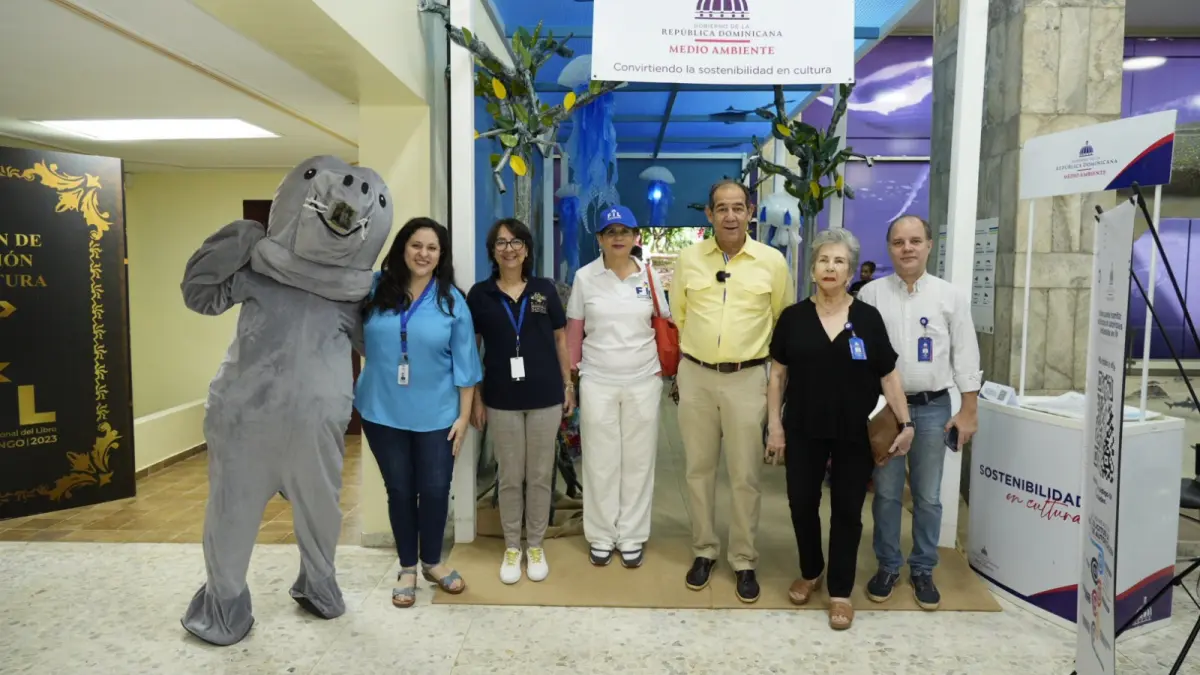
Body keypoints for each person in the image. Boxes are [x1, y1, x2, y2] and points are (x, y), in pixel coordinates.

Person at [179, 156, 393, 645]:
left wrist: (390, 299)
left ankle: (319, 586)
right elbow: (200, 295)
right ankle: (225, 604)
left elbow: (378, 346)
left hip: (315, 426)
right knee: (232, 512)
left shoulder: (352, 297)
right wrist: (237, 243)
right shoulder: (259, 272)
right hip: (246, 417)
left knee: (321, 510)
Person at [765, 227, 914, 631]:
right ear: (813, 268)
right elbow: (777, 376)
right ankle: (810, 570)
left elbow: (888, 376)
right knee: (801, 503)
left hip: (854, 431)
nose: (830, 267)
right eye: (823, 260)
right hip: (802, 427)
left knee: (848, 510)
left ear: (850, 271)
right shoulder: (793, 318)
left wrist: (906, 422)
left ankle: (841, 591)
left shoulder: (867, 318)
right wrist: (774, 426)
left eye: (839, 261)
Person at [669, 179, 794, 603]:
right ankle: (704, 550)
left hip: (748, 378)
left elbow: (782, 322)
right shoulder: (689, 259)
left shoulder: (772, 262)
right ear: (709, 214)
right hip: (697, 376)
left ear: (750, 212)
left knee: (745, 475)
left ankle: (743, 559)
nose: (730, 216)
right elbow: (679, 314)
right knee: (698, 470)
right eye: (721, 208)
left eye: (738, 207)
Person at [354, 217, 482, 608]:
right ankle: (407, 567)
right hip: (381, 410)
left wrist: (463, 418)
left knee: (435, 488)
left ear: (441, 256)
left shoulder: (451, 301)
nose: (423, 254)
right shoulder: (375, 288)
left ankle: (433, 562)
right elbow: (350, 332)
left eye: (432, 248)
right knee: (400, 490)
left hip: (439, 414)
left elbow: (466, 364)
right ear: (402, 249)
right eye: (416, 245)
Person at [856, 214, 982, 610]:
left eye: (914, 241)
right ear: (889, 248)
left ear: (929, 245)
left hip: (932, 408)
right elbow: (858, 353)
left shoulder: (949, 297)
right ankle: (888, 565)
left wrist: (969, 410)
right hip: (885, 410)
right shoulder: (871, 296)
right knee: (886, 493)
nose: (907, 248)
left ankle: (923, 568)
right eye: (898, 242)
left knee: (928, 495)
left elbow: (966, 354)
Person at [467, 218, 575, 585]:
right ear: (493, 251)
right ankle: (513, 546)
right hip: (501, 398)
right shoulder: (480, 295)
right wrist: (476, 398)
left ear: (527, 249)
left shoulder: (544, 290)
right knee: (511, 476)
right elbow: (472, 350)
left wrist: (568, 385)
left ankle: (535, 545)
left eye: (516, 242)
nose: (509, 249)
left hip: (545, 396)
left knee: (540, 475)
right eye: (501, 243)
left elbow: (560, 340)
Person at [566, 205, 668, 568]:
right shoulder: (585, 277)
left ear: (636, 237)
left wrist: (661, 375)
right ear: (600, 239)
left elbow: (663, 322)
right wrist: (570, 381)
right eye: (610, 232)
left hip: (643, 379)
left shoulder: (650, 277)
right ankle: (601, 535)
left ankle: (632, 535)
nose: (618, 238)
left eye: (625, 231)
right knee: (600, 460)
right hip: (598, 379)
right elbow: (574, 333)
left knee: (639, 460)